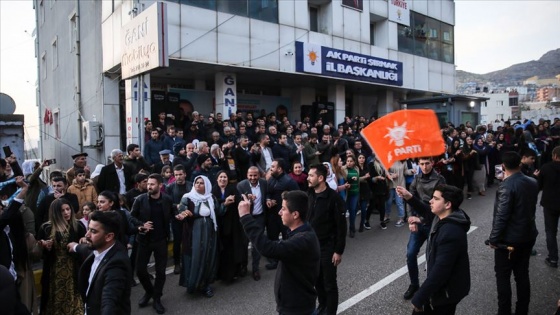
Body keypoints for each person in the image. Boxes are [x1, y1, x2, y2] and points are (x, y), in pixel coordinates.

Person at [238, 190, 320, 315]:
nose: (279, 212)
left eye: (283, 209)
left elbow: (268, 248)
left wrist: (245, 217)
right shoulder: (301, 233)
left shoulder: (302, 240)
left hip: (297, 309)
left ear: (295, 214)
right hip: (296, 305)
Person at [397, 185, 471, 314]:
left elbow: (441, 270)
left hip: (446, 292)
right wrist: (408, 196)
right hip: (440, 287)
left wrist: (420, 297)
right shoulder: (442, 216)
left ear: (448, 204)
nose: (431, 201)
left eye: (435, 199)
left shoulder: (450, 232)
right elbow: (425, 210)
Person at [488, 151, 539, 315]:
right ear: (520, 163)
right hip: (528, 235)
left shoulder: (506, 186)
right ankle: (522, 310)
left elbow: (501, 216)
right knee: (522, 275)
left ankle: (504, 311)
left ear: (503, 166)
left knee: (503, 278)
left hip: (508, 240)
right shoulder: (532, 182)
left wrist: (493, 239)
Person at [68, 210, 132, 315]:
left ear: (109, 236)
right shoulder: (100, 248)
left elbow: (109, 301)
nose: (87, 235)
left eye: (93, 231)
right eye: (88, 229)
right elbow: (85, 249)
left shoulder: (116, 265)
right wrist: (75, 246)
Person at [130, 174, 175, 314]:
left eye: (152, 184)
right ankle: (150, 292)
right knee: (141, 271)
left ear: (160, 185)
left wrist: (178, 215)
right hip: (144, 240)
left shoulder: (167, 199)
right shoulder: (140, 200)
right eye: (148, 184)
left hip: (161, 240)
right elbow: (131, 216)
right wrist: (141, 225)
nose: (149, 186)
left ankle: (157, 298)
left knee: (161, 272)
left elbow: (172, 213)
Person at [307, 164, 346, 315]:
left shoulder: (334, 198)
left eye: (311, 175)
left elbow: (341, 227)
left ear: (321, 178)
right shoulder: (310, 193)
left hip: (327, 247)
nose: (308, 178)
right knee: (317, 281)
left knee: (329, 284)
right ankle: (322, 305)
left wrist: (338, 251)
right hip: (312, 248)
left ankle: (330, 312)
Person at [404, 157, 446, 300]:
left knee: (432, 257)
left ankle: (431, 288)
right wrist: (411, 220)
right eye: (421, 164)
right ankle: (414, 284)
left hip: (433, 223)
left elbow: (440, 205)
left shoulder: (440, 180)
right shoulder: (416, 179)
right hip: (418, 223)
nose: (424, 166)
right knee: (410, 254)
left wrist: (420, 219)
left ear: (432, 163)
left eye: (427, 163)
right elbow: (409, 199)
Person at [176, 175, 223, 297]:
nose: (198, 185)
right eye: (196, 182)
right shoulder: (188, 197)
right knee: (195, 257)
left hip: (210, 232)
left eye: (201, 183)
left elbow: (218, 210)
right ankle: (193, 283)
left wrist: (226, 204)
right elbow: (182, 209)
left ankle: (205, 285)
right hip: (193, 233)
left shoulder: (211, 197)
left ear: (206, 185)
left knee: (208, 257)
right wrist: (183, 214)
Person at [37, 198, 86, 315]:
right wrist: (45, 246)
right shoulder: (46, 228)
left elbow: (86, 247)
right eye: (62, 211)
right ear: (55, 213)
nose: (66, 212)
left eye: (68, 209)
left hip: (73, 268)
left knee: (74, 295)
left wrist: (84, 241)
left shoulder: (78, 225)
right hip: (53, 269)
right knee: (53, 296)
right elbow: (40, 252)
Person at [212, 170, 246, 282]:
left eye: (225, 177)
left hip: (232, 224)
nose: (223, 179)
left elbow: (239, 201)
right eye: (220, 177)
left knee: (232, 249)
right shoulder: (213, 191)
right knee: (221, 250)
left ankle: (233, 273)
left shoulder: (233, 189)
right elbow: (213, 205)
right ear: (217, 179)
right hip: (219, 225)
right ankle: (220, 273)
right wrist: (224, 202)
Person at [236, 166, 268, 281]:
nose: (253, 178)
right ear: (247, 175)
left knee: (256, 245)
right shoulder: (241, 185)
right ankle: (244, 267)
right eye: (250, 175)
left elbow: (267, 195)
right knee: (244, 244)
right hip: (246, 218)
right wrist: (246, 199)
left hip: (259, 218)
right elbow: (237, 201)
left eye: (255, 175)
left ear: (259, 175)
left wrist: (268, 200)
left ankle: (255, 269)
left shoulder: (264, 183)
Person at [165, 165, 193, 275]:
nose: (178, 177)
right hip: (176, 218)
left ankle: (189, 261)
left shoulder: (191, 185)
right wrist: (177, 208)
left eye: (180, 174)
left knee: (190, 240)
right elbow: (167, 202)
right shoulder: (170, 187)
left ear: (185, 174)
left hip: (189, 217)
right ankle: (177, 263)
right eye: (176, 175)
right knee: (177, 241)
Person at [538, 146, 560, 268]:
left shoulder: (546, 168)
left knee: (551, 231)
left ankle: (553, 258)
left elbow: (539, 186)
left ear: (555, 156)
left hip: (550, 203)